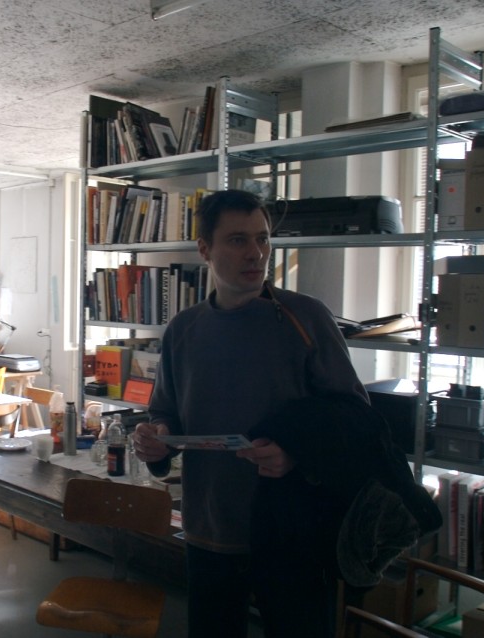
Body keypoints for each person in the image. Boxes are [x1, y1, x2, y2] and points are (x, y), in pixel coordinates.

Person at [131, 189, 368, 638]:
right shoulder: (183, 329)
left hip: (293, 529)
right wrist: (156, 438)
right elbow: (165, 412)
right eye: (238, 240)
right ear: (205, 249)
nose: (256, 253)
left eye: (262, 239)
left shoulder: (306, 317)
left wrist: (295, 453)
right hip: (209, 527)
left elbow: (355, 416)